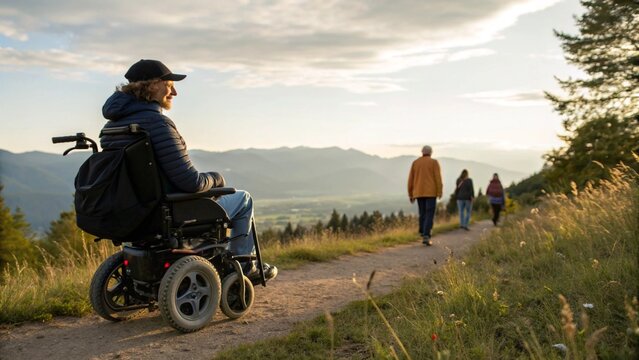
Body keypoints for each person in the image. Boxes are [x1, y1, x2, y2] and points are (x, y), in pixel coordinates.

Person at [100, 59, 277, 281]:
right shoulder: (157, 124)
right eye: (169, 84)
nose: (174, 92)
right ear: (153, 85)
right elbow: (190, 182)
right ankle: (243, 266)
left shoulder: (111, 127)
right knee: (243, 199)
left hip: (138, 210)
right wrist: (215, 178)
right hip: (172, 209)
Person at [407, 145, 443, 245]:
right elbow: (438, 178)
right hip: (431, 193)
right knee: (429, 214)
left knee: (422, 213)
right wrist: (439, 192)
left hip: (418, 192)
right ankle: (426, 235)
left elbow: (411, 180)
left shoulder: (415, 163)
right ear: (431, 152)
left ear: (422, 152)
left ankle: (423, 231)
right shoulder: (434, 162)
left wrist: (411, 194)